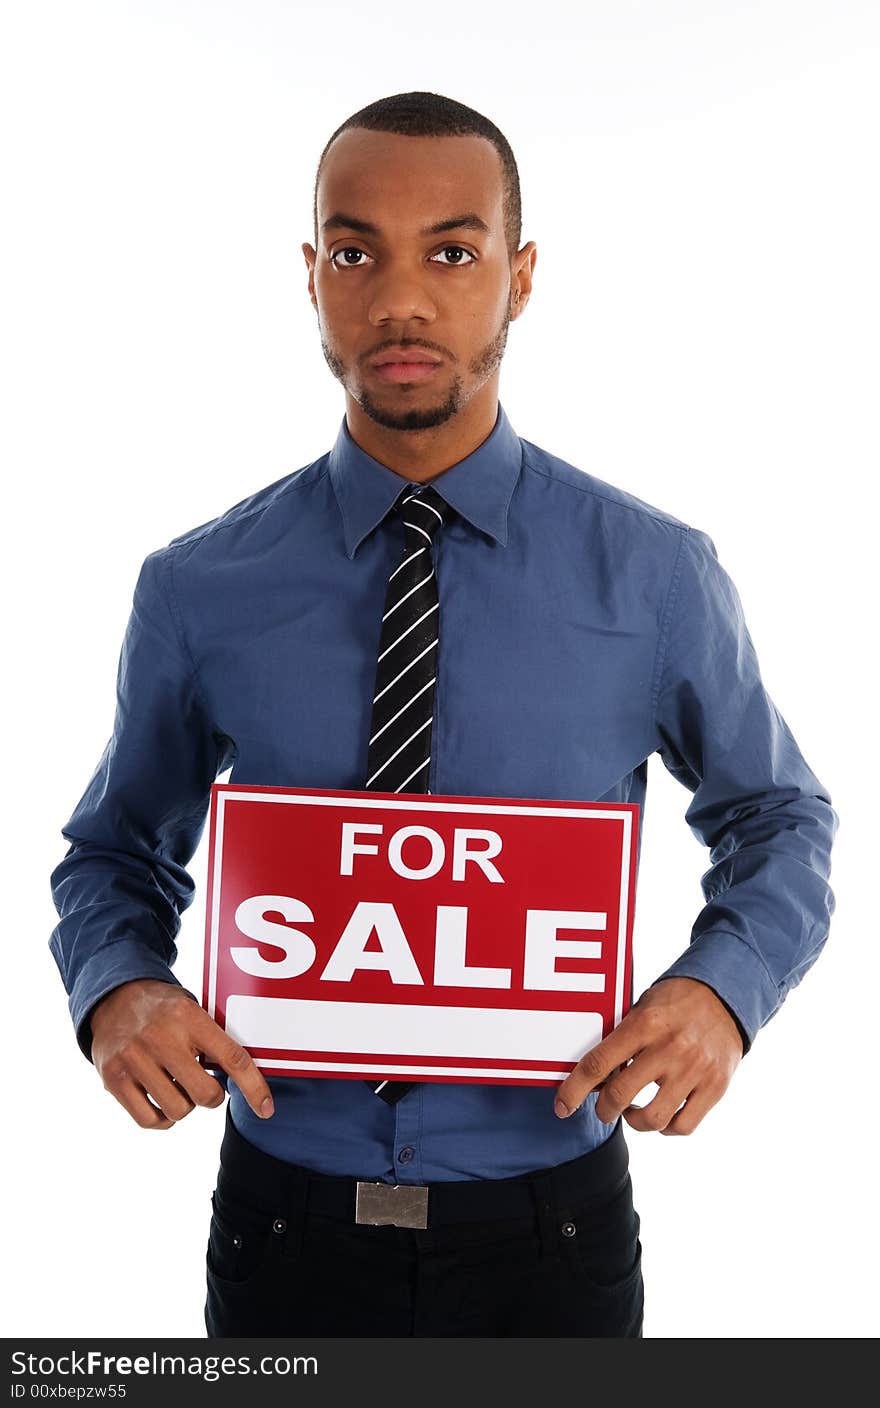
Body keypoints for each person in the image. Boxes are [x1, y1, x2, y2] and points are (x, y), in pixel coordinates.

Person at [49, 90, 837, 1339]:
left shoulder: (655, 576)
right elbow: (112, 852)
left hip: (551, 1232)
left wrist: (720, 992)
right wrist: (117, 990)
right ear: (311, 276)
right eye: (355, 253)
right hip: (280, 1229)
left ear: (520, 278)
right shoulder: (198, 587)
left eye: (452, 253)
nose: (400, 301)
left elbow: (780, 816)